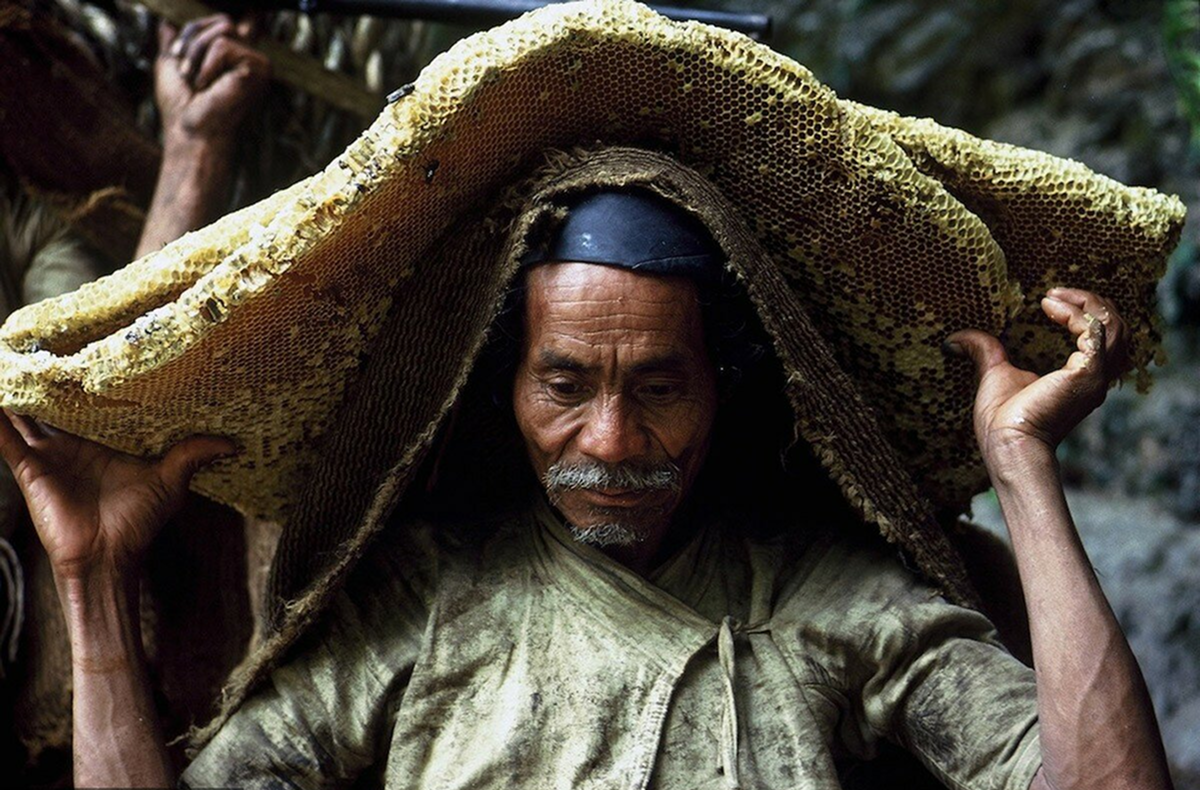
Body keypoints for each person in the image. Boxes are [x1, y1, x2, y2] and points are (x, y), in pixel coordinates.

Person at [0, 175, 1174, 788]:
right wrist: (91, 582)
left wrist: (1022, 470)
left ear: (725, 387)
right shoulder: (421, 600)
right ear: (501, 386)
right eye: (564, 384)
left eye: (659, 386)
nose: (609, 442)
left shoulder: (834, 599)